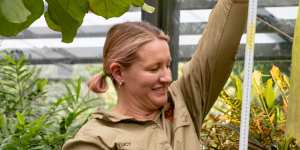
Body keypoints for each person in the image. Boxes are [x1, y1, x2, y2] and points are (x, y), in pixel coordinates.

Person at [63, 0, 248, 149]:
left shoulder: (182, 102)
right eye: (154, 68)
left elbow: (218, 49)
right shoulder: (95, 139)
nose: (167, 77)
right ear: (119, 73)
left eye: (168, 65)